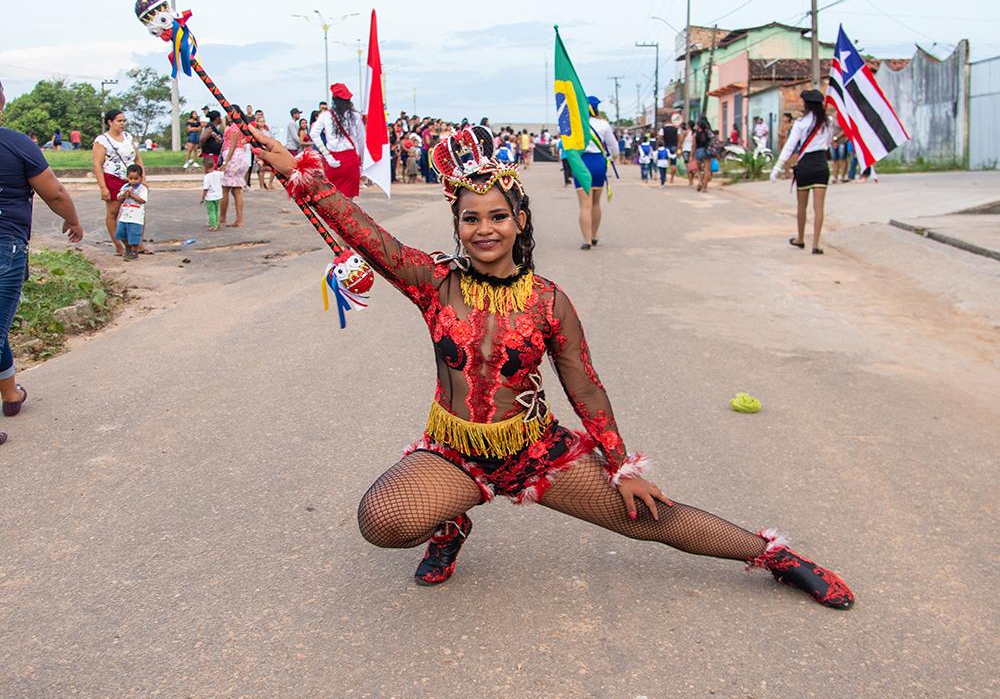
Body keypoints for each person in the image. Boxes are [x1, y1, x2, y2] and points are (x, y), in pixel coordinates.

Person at [247, 122, 853, 608]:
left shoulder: (549, 301)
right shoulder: (432, 283)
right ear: (456, 226)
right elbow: (366, 234)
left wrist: (622, 466)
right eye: (471, 218)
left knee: (649, 518)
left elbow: (586, 390)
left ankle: (774, 556)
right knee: (381, 520)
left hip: (534, 450)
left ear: (521, 221)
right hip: (454, 451)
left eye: (498, 216)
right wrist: (300, 174)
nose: (485, 229)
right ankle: (450, 522)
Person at [0, 79, 83, 445]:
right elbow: (55, 192)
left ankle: (11, 395)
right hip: (6, 247)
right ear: (1, 101)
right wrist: (73, 220)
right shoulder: (17, 143)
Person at [770, 88, 833, 254]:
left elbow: (790, 147)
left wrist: (777, 167)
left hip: (805, 166)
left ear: (807, 104)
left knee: (802, 206)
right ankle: (816, 244)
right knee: (819, 208)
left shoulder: (800, 124)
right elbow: (827, 143)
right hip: (821, 165)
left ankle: (800, 238)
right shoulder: (828, 122)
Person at [571, 96, 619, 250]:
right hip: (598, 163)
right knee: (596, 203)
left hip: (582, 163)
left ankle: (587, 240)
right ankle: (594, 235)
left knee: (585, 205)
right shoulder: (603, 124)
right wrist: (613, 158)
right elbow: (614, 147)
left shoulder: (577, 124)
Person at [93, 109, 143, 256]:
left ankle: (137, 244)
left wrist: (143, 178)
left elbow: (138, 159)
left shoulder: (128, 137)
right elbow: (97, 164)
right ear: (110, 122)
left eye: (124, 121)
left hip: (132, 179)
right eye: (119, 121)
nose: (122, 124)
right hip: (113, 178)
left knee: (136, 210)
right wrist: (103, 187)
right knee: (113, 213)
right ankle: (119, 246)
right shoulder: (102, 141)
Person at [310, 84, 365, 197]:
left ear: (334, 100)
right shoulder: (355, 116)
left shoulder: (325, 115)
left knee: (334, 199)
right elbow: (361, 140)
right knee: (349, 201)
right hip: (351, 160)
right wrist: (361, 162)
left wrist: (326, 155)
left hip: (333, 160)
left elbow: (313, 133)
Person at [219, 112, 251, 227]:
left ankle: (222, 218)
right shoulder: (241, 126)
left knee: (225, 189)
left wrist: (225, 162)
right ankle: (239, 219)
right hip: (241, 156)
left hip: (233, 157)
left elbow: (232, 146)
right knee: (236, 191)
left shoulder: (233, 127)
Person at [115, 165, 148, 260]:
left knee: (134, 234)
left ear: (141, 178)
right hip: (125, 215)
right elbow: (119, 197)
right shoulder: (125, 187)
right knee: (120, 233)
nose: (133, 181)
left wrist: (133, 195)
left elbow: (143, 200)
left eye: (136, 179)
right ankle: (128, 247)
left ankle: (134, 251)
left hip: (136, 216)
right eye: (130, 178)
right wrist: (125, 194)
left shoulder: (142, 189)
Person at [693, 115, 713, 192]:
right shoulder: (709, 133)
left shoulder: (696, 134)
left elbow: (694, 145)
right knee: (706, 170)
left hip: (698, 152)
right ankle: (705, 187)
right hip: (707, 152)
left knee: (698, 170)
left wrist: (692, 155)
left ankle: (700, 182)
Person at [201, 162, 223, 229]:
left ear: (205, 168)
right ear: (214, 166)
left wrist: (203, 197)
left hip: (210, 197)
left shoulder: (207, 176)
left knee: (211, 211)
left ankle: (213, 225)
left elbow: (205, 189)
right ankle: (217, 223)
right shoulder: (219, 173)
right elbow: (223, 171)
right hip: (218, 196)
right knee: (216, 210)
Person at [661, 120, 679, 184]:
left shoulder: (663, 129)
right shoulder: (676, 129)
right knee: (673, 163)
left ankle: (664, 176)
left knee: (665, 162)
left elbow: (660, 138)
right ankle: (672, 178)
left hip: (666, 147)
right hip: (674, 147)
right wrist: (678, 147)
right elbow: (679, 138)